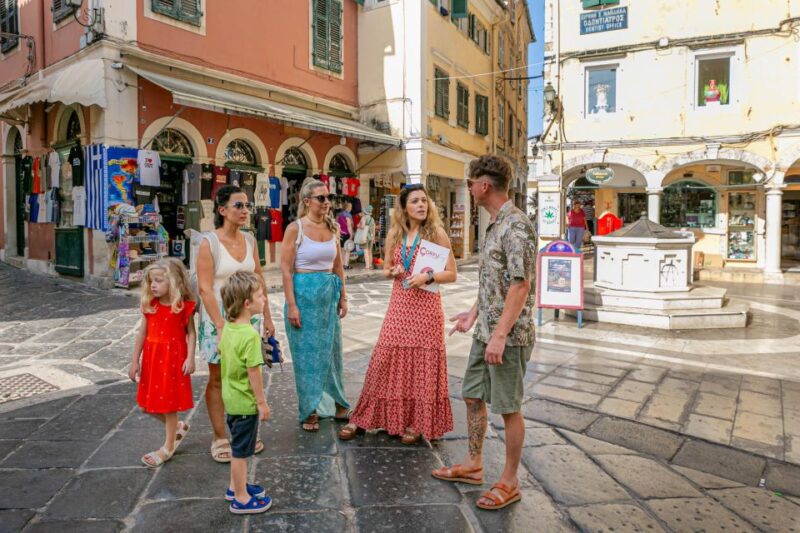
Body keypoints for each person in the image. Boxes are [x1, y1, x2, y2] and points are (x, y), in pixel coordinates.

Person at [433, 155, 536, 511]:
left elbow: (520, 286)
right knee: (472, 394)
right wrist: (473, 314)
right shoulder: (494, 224)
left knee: (509, 408)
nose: (468, 188)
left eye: (469, 182)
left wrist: (500, 335)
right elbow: (493, 280)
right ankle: (474, 464)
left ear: (484, 185)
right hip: (486, 330)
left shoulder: (516, 226)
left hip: (509, 336)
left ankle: (510, 481)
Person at [339, 183, 457, 444]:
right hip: (400, 307)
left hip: (426, 309)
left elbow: (452, 273)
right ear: (404, 207)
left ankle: (418, 422)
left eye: (424, 201)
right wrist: (389, 272)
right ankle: (363, 417)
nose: (421, 205)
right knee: (383, 359)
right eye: (415, 201)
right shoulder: (395, 233)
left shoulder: (436, 233)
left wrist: (427, 277)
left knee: (421, 366)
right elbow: (387, 267)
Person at [197, 185, 276, 463]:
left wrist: (267, 316)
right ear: (222, 210)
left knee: (246, 373)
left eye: (247, 206)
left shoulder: (251, 241)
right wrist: (220, 326)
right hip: (217, 316)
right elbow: (205, 289)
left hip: (248, 316)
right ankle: (219, 436)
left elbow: (259, 277)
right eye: (238, 205)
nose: (245, 211)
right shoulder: (209, 243)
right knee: (218, 377)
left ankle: (242, 432)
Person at [281, 179, 351, 432]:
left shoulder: (332, 228)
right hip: (303, 298)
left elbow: (338, 267)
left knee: (332, 352)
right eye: (321, 198)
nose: (327, 203)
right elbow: (286, 270)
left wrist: (343, 296)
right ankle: (309, 408)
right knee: (306, 356)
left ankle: (339, 402)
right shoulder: (295, 229)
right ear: (307, 201)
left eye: (328, 197)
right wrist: (291, 305)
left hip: (327, 299)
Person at [129, 258, 197, 468]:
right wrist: (134, 361)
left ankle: (167, 447)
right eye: (151, 281)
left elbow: (191, 333)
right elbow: (142, 333)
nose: (153, 285)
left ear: (174, 282)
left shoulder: (182, 307)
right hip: (153, 359)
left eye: (159, 280)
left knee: (169, 406)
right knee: (145, 406)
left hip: (173, 360)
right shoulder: (150, 305)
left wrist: (191, 357)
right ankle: (177, 427)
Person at [218, 271, 272, 514]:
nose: (265, 299)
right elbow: (254, 373)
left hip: (230, 399)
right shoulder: (250, 335)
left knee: (237, 445)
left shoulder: (229, 328)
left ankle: (234, 486)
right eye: (261, 296)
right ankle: (240, 498)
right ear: (247, 304)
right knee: (240, 452)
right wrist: (261, 403)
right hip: (244, 403)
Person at [355, 205, 376, 270]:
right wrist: (374, 237)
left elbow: (363, 227)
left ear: (365, 211)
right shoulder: (372, 219)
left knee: (365, 251)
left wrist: (358, 226)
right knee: (370, 251)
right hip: (371, 237)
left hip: (365, 237)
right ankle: (370, 265)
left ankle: (367, 266)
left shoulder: (364, 218)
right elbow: (374, 229)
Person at [337, 200, 354, 269]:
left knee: (342, 250)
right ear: (348, 207)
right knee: (347, 250)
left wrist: (339, 231)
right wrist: (351, 234)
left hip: (340, 234)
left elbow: (337, 225)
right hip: (346, 234)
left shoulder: (339, 215)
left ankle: (341, 264)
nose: (351, 208)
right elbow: (349, 226)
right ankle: (346, 265)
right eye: (351, 207)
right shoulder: (348, 215)